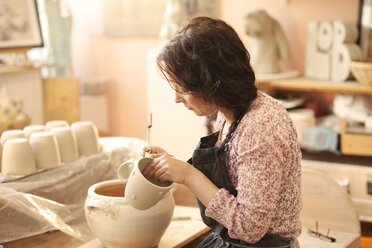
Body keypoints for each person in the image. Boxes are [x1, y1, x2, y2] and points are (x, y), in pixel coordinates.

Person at [141, 16, 302, 248]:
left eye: (183, 89)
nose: (176, 99)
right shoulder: (229, 113)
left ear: (212, 82)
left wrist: (188, 175)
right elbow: (235, 179)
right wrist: (172, 166)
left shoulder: (260, 126)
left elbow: (249, 228)